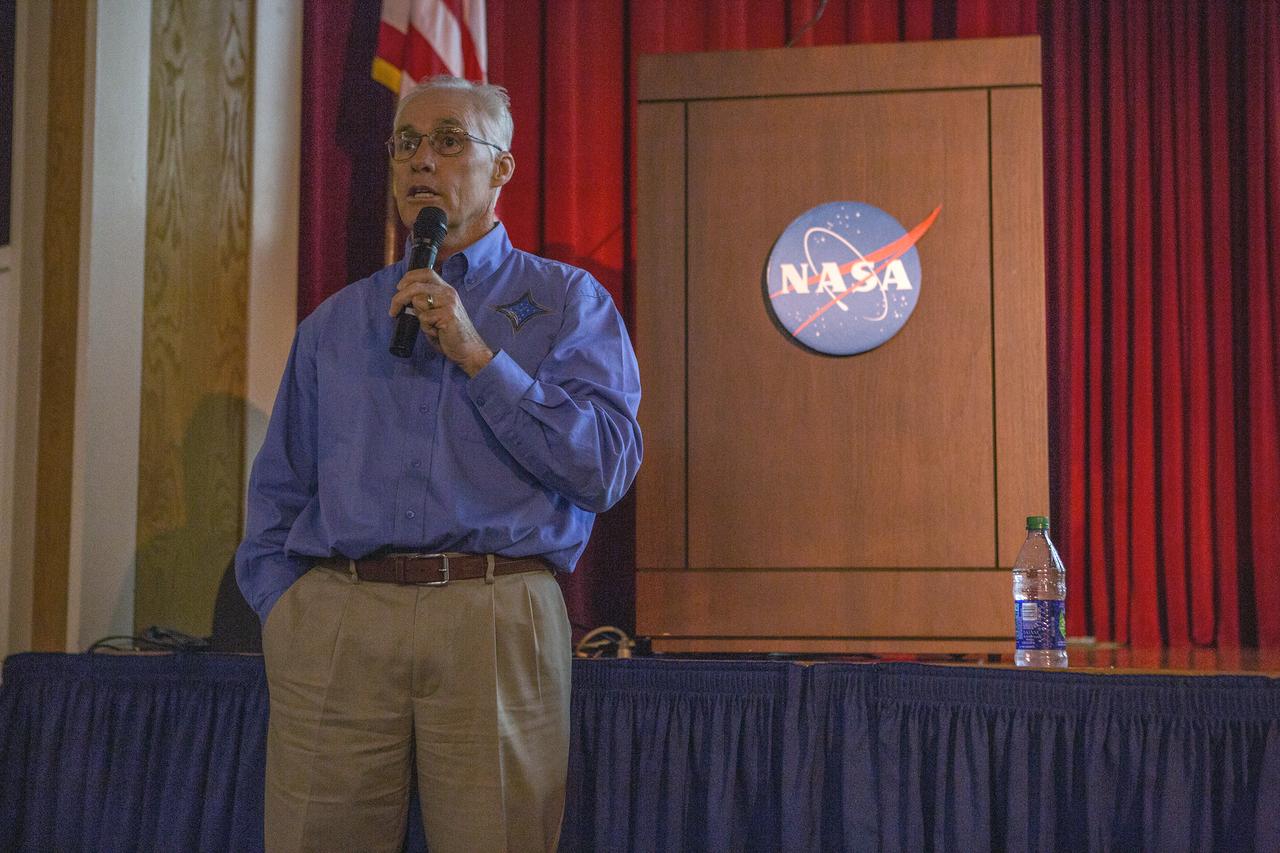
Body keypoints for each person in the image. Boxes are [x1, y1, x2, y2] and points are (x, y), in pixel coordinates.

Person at [235, 75, 642, 852]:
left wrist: (480, 357)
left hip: (493, 613)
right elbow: (278, 492)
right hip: (341, 620)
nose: (422, 161)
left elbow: (607, 466)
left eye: (450, 141)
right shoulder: (336, 323)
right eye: (406, 144)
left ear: (502, 170)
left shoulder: (568, 303)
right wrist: (292, 615)